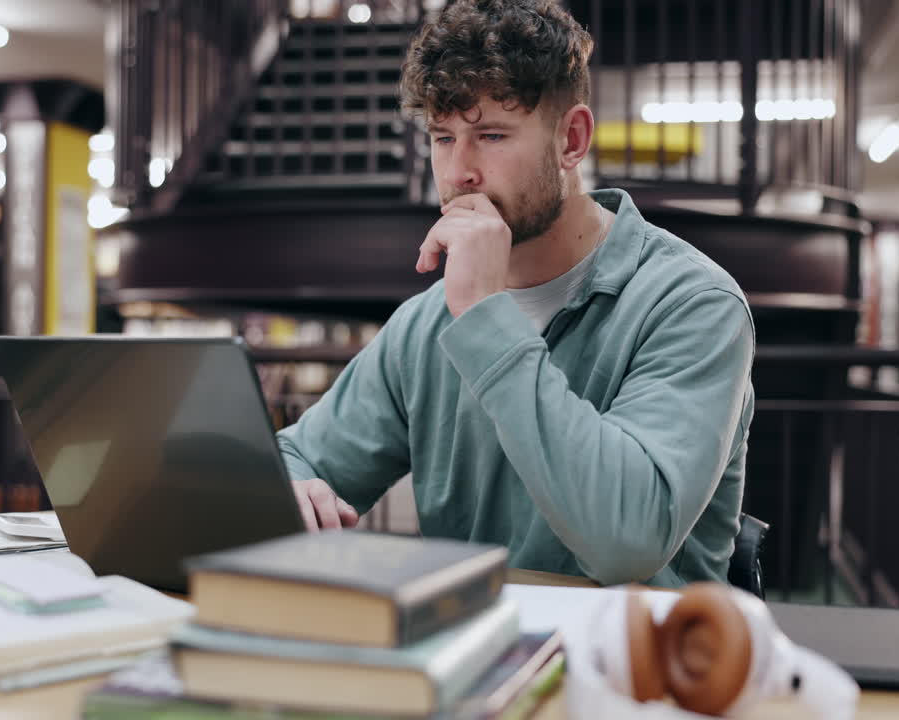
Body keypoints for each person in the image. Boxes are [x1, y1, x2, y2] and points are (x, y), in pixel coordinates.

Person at [278, 0, 755, 588]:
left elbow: (627, 544)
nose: (458, 173)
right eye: (444, 137)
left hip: (636, 664)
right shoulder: (424, 325)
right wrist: (290, 488)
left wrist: (485, 317)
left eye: (492, 135)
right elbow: (296, 456)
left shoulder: (693, 303)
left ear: (571, 140)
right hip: (473, 654)